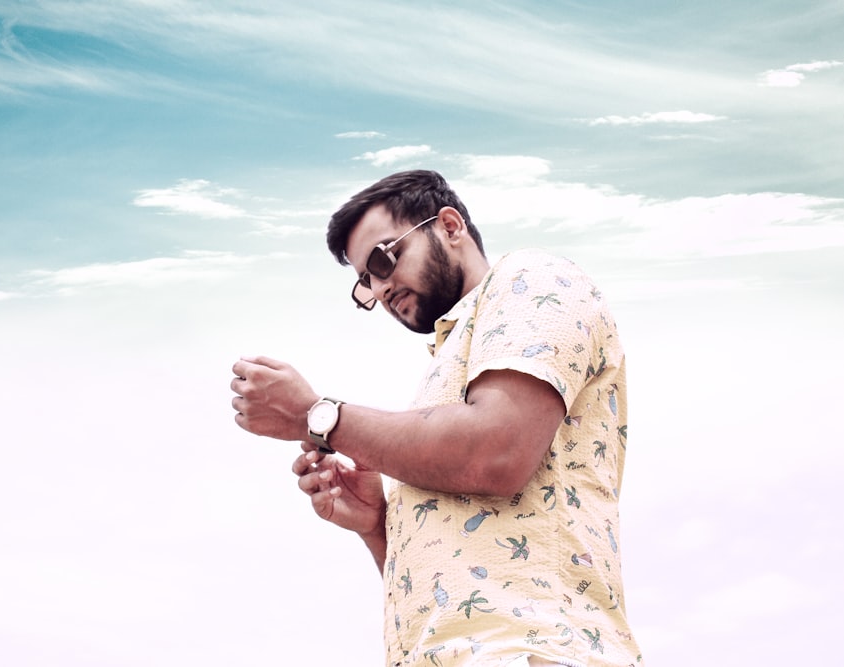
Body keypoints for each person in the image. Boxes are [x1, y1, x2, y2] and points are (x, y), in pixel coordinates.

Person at [230, 170, 643, 667]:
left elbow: (496, 452)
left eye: (382, 260)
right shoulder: (450, 368)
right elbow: (458, 595)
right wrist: (378, 526)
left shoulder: (532, 280)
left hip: (533, 650)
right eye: (365, 281)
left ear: (449, 225)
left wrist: (317, 417)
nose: (379, 289)